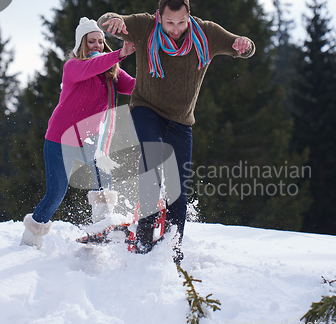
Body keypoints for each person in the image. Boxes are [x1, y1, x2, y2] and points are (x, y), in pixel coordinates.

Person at [98, 0, 255, 260]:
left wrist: (244, 44)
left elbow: (243, 47)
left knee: (178, 190)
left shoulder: (207, 33)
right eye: (169, 22)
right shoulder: (145, 26)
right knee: (154, 156)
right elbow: (108, 21)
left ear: (189, 16)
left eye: (181, 22)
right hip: (146, 108)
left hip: (181, 121)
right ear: (159, 16)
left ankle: (173, 248)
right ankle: (145, 236)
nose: (175, 28)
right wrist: (113, 21)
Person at [20, 17, 136, 249]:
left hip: (91, 138)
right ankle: (31, 239)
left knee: (104, 176)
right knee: (56, 194)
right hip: (61, 138)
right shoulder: (73, 67)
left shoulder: (110, 70)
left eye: (101, 42)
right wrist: (120, 54)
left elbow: (134, 86)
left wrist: (157, 77)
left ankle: (102, 224)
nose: (97, 46)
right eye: (91, 41)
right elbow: (92, 67)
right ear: (81, 44)